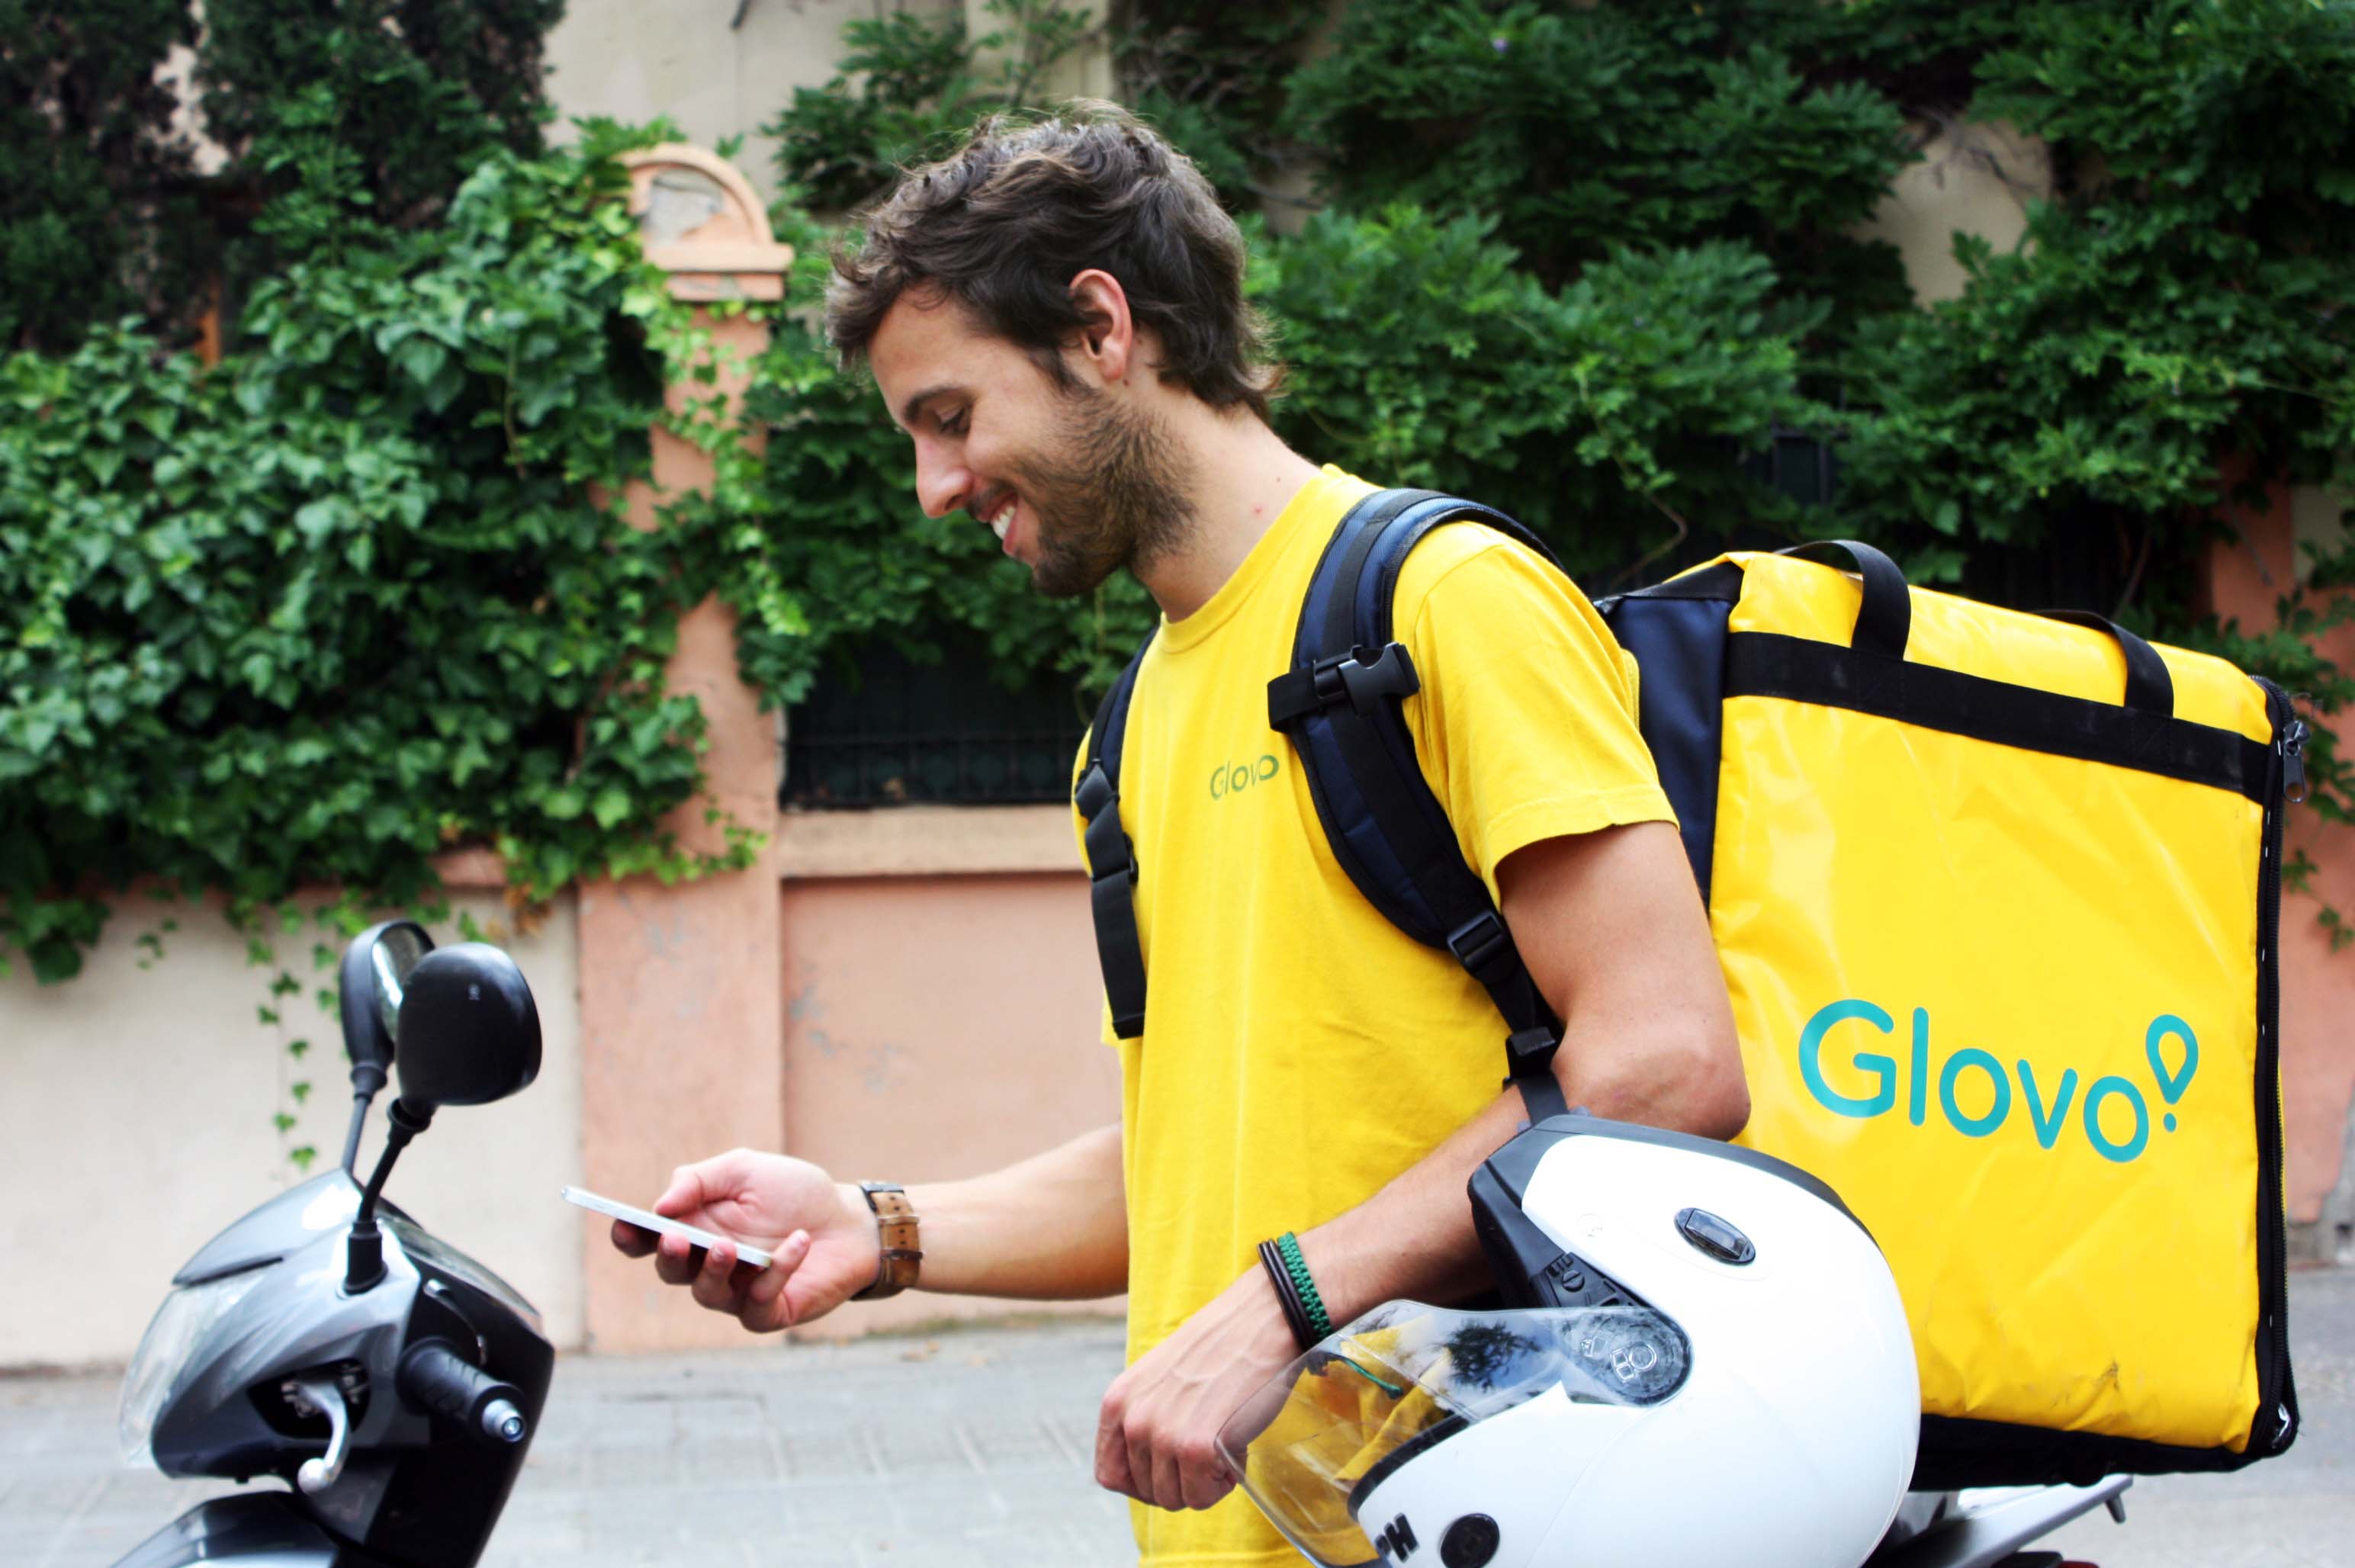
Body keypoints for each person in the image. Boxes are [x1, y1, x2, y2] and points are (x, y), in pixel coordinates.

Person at [611, 102, 1746, 1568]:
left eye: (951, 417)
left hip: (1500, 1524)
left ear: (1099, 329)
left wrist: (1282, 1302)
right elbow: (1203, 1155)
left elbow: (1664, 1066)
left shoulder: (1442, 602)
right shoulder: (1131, 728)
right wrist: (874, 1230)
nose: (935, 487)